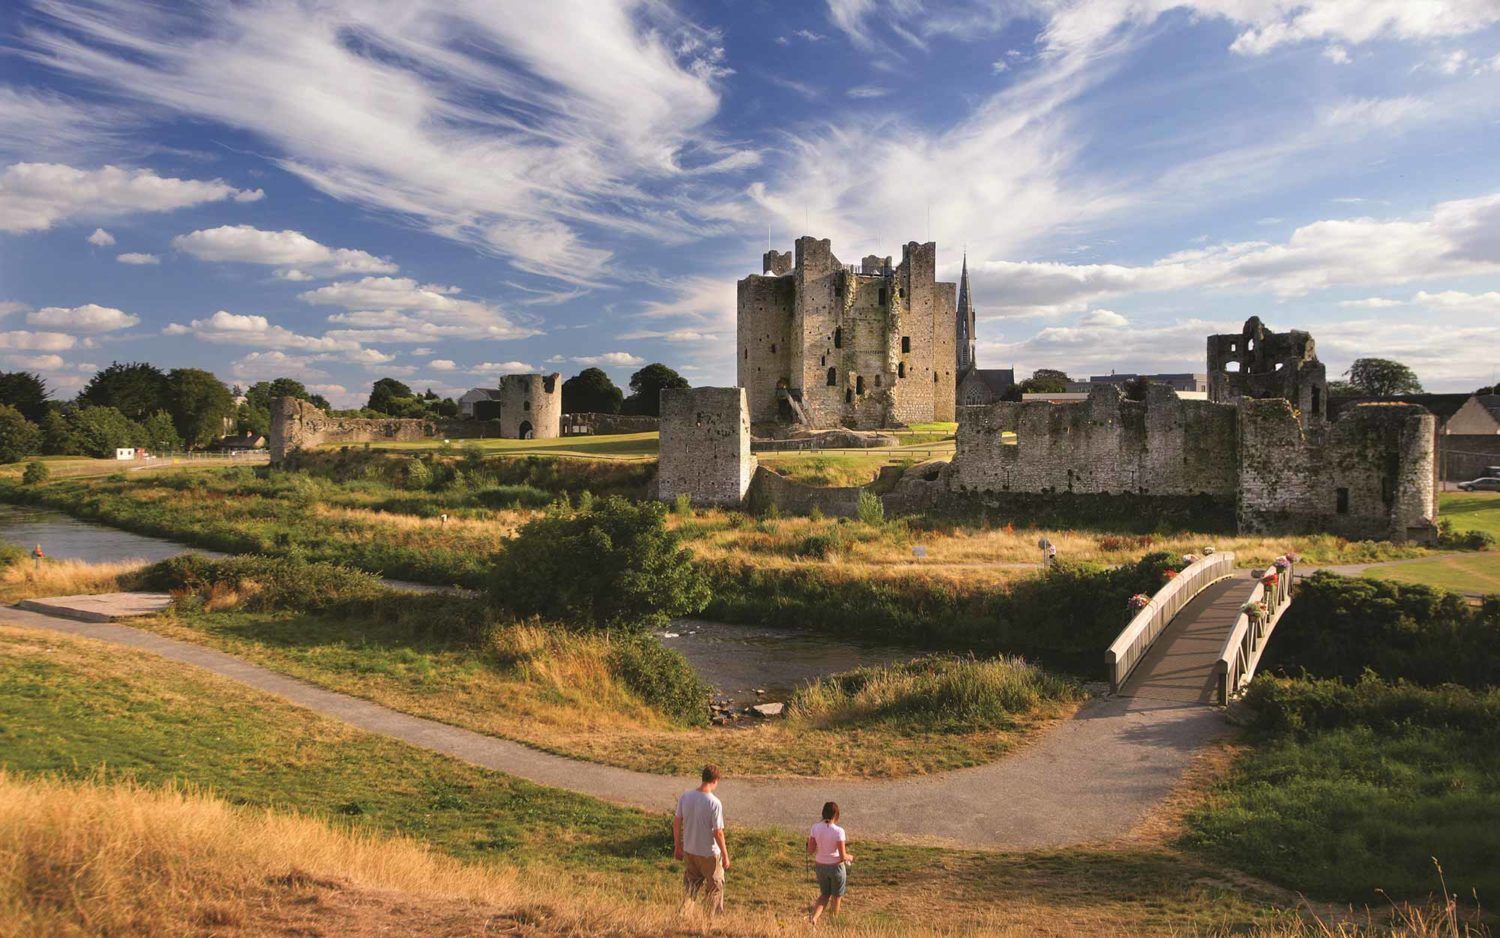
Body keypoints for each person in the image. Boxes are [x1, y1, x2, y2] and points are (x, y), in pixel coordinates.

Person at [674, 764, 730, 916]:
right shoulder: (714, 803)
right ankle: (710, 921)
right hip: (708, 854)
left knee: (690, 887)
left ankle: (683, 916)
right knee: (715, 887)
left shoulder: (686, 796)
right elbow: (718, 832)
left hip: (690, 850)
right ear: (715, 780)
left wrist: (677, 846)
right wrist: (725, 855)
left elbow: (677, 821)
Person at [807, 801, 854, 925]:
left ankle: (814, 918)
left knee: (824, 895)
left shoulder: (815, 828)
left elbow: (810, 851)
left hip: (820, 866)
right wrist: (850, 857)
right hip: (835, 868)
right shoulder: (839, 831)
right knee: (836, 897)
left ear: (823, 813)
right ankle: (833, 922)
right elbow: (843, 856)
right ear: (836, 815)